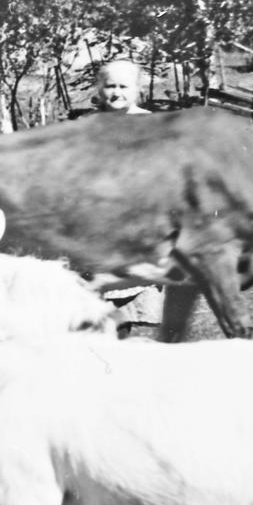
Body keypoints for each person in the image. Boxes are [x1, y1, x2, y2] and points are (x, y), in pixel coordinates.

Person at [95, 58, 161, 335]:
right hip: (98, 226)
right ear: (99, 89)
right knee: (96, 307)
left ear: (137, 89)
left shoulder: (151, 125)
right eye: (110, 86)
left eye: (124, 86)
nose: (116, 93)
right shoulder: (93, 126)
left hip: (137, 225)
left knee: (126, 303)